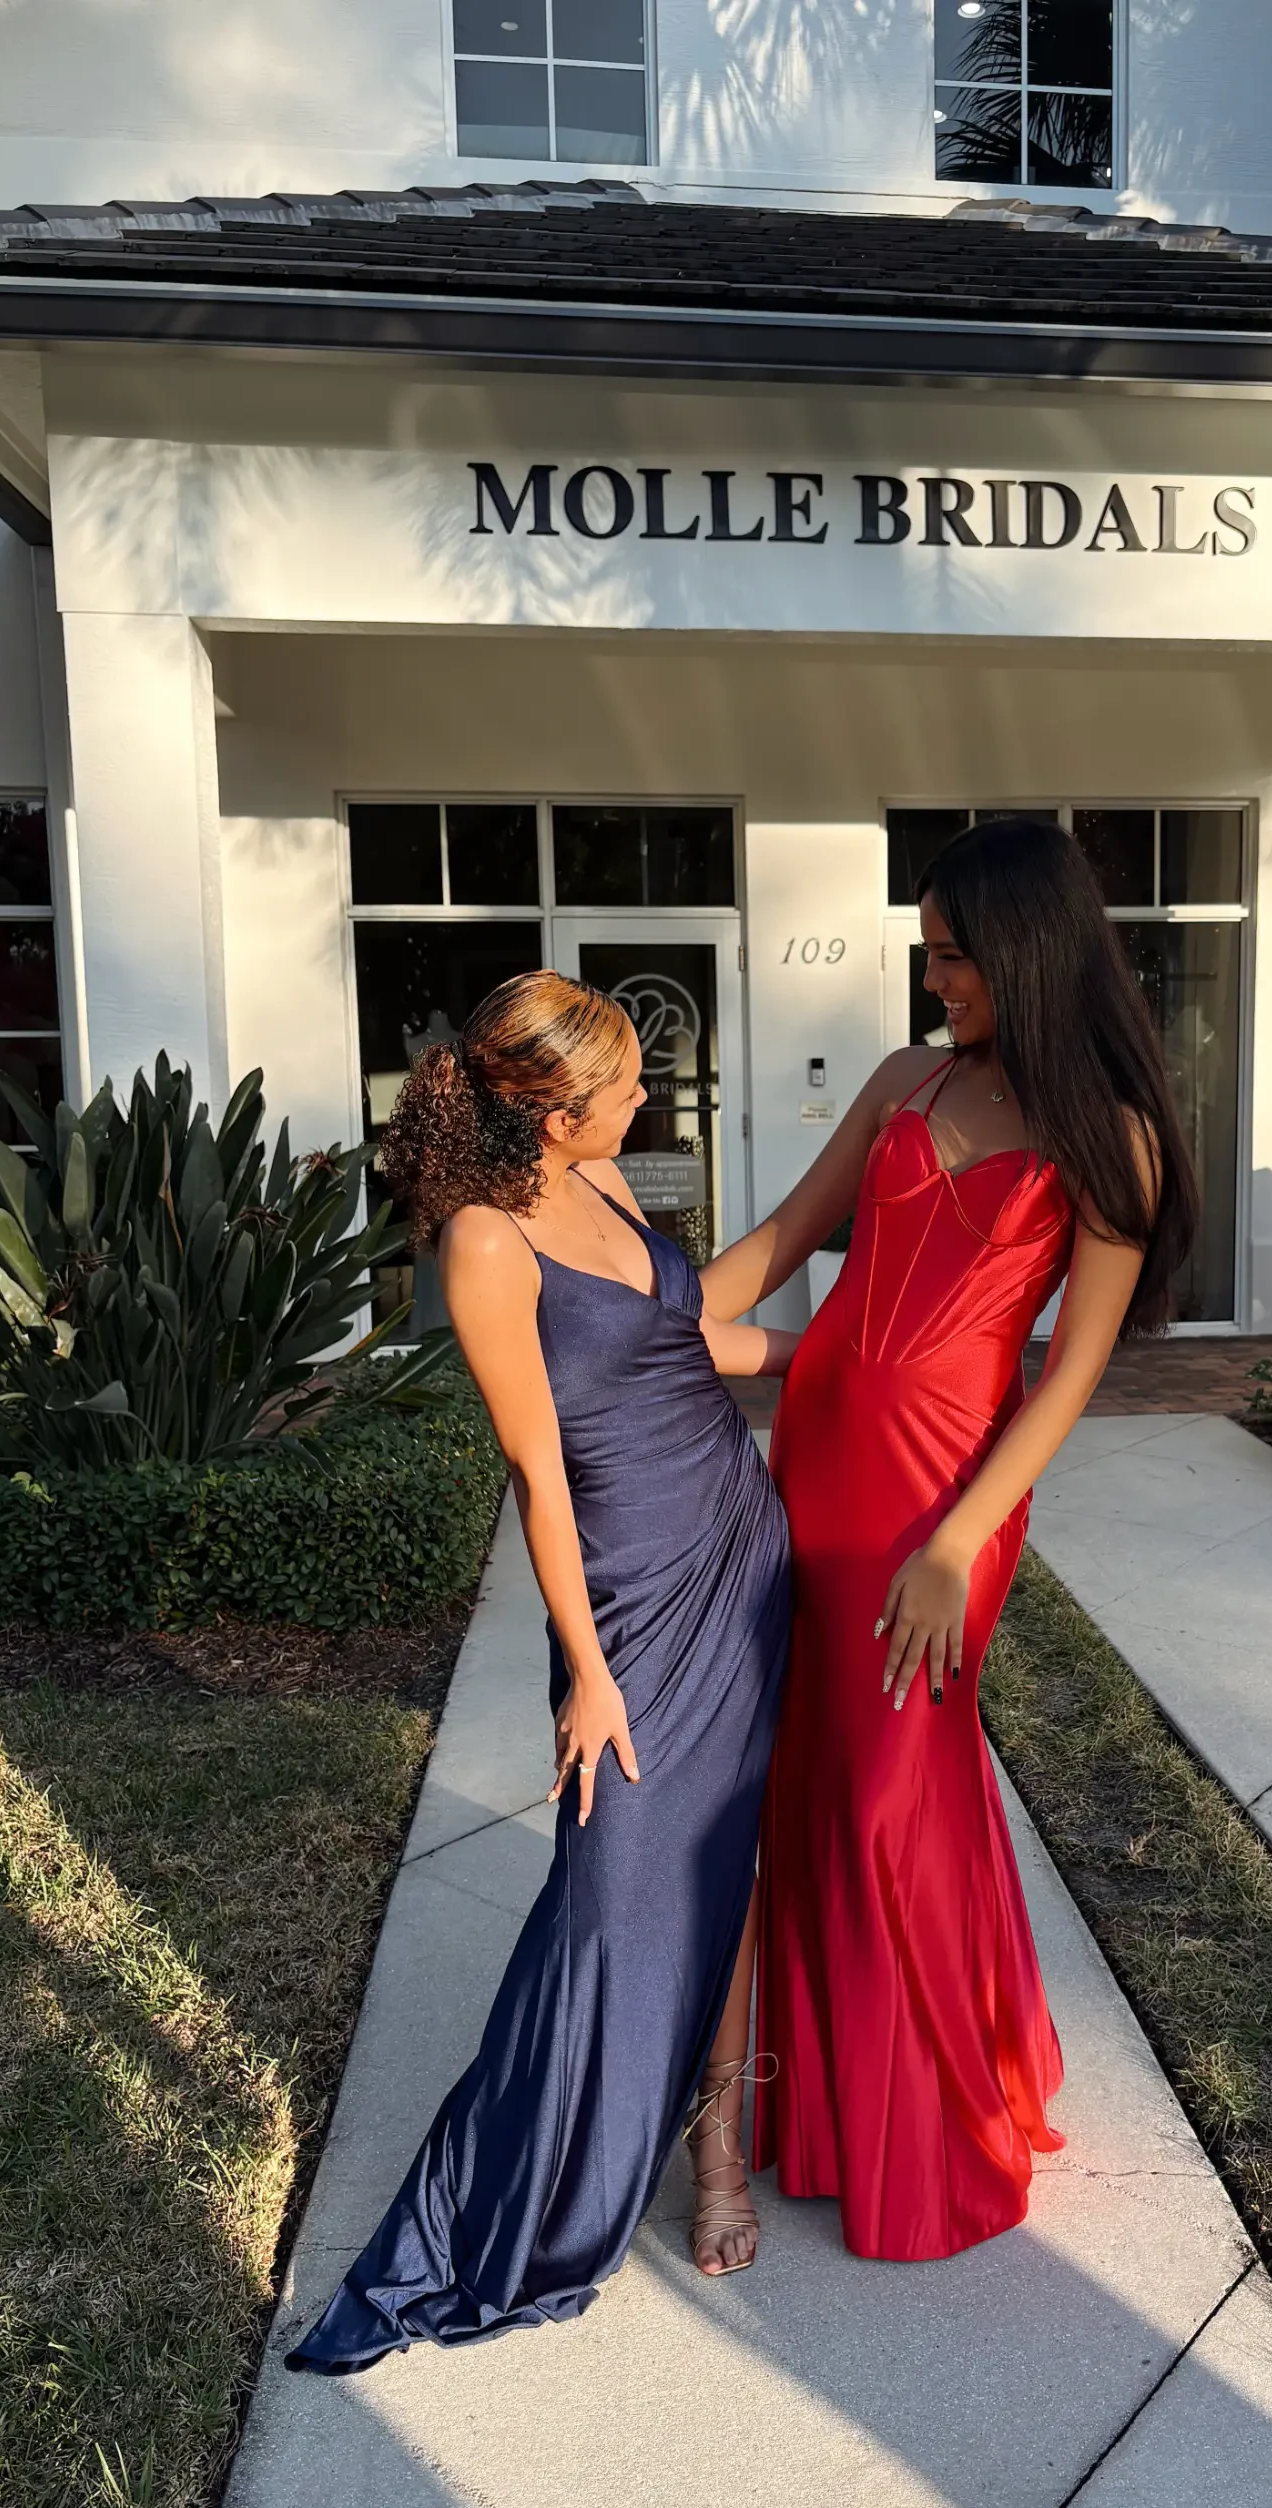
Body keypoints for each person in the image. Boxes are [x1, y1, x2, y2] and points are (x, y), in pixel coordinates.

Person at [701, 817, 1198, 2261]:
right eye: (928, 958)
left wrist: (959, 1538)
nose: (936, 986)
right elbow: (787, 1241)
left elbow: (1071, 1374)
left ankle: (926, 2125)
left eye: (955, 960)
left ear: (1026, 955)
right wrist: (656, 1322)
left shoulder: (1111, 1134)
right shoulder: (903, 1081)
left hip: (945, 1498)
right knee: (806, 1777)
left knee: (884, 1795)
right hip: (820, 1459)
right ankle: (822, 2110)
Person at [289, 970, 796, 2375]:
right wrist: (585, 1667)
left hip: (740, 1554)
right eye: (627, 1084)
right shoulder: (483, 1244)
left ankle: (719, 2153)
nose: (647, 1098)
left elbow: (682, 1347)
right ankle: (548, 2181)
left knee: (725, 1862)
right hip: (631, 1594)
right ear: (554, 1103)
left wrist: (832, 1362)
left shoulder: (613, 1184)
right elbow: (536, 1470)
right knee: (612, 1886)